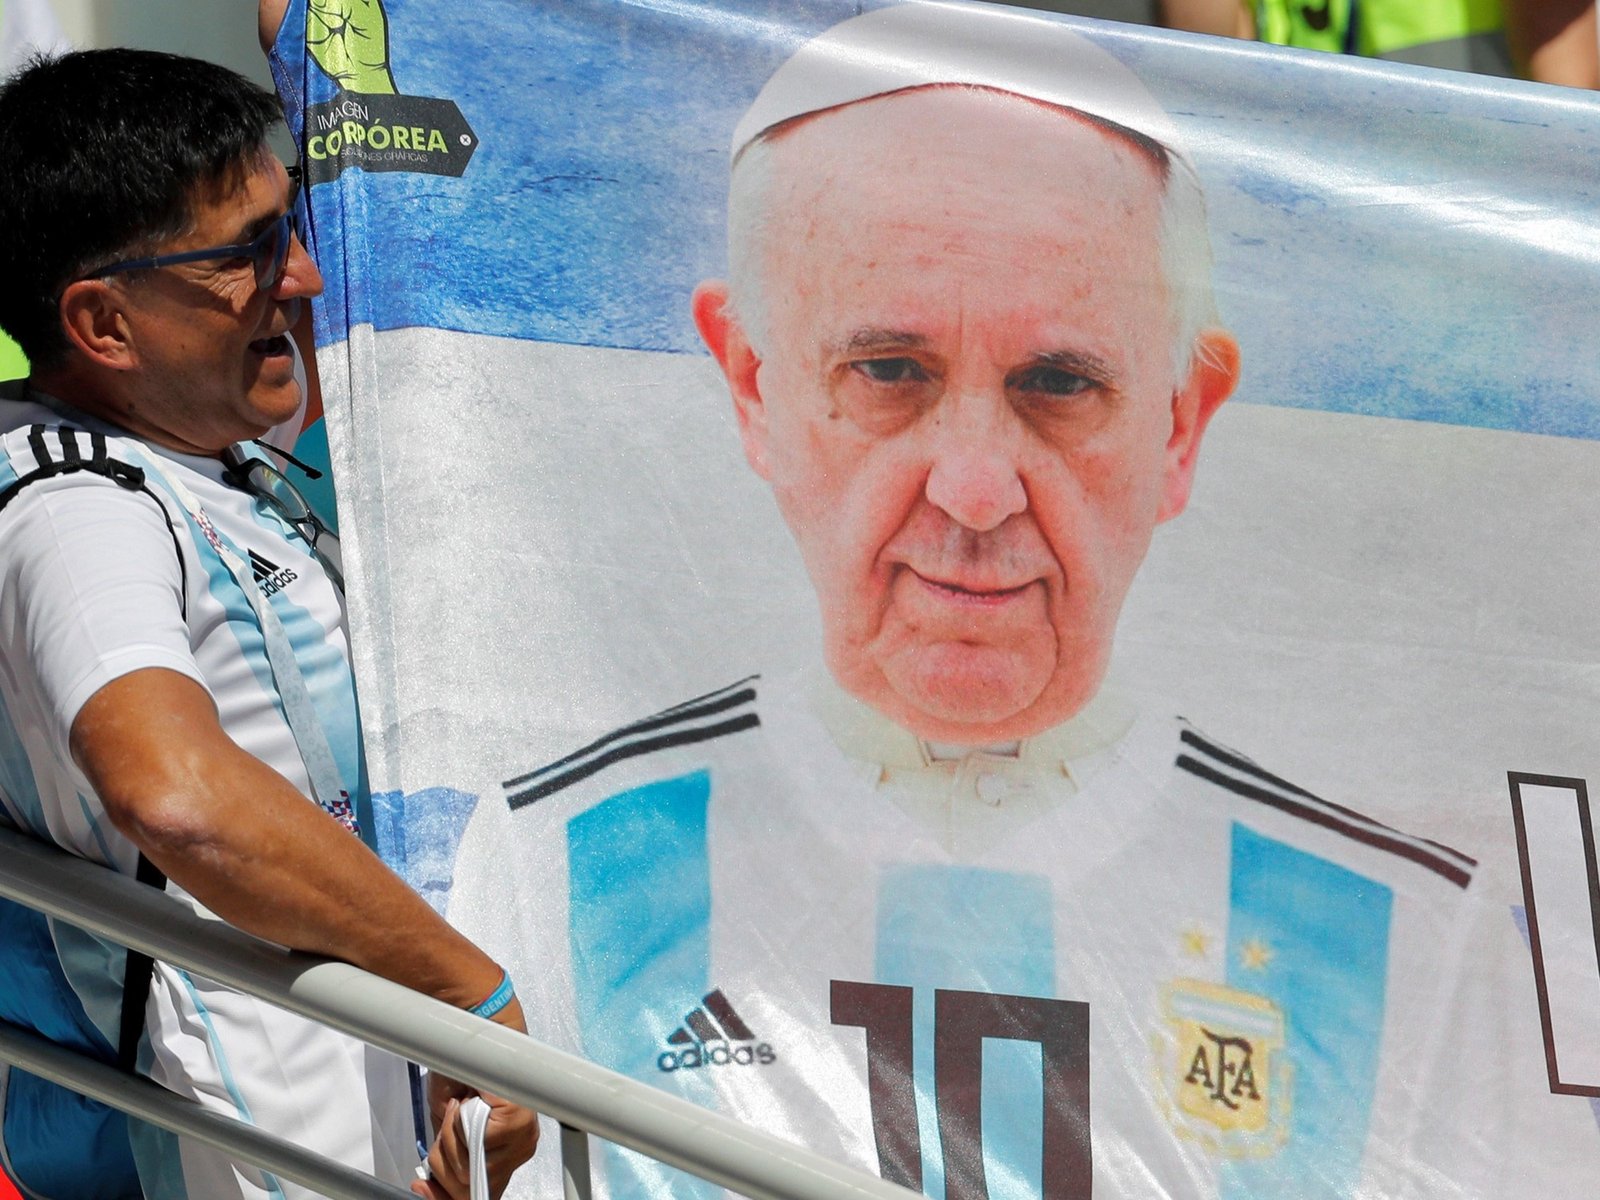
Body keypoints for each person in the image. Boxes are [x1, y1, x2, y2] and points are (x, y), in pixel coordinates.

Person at [458, 3, 1600, 1198]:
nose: (974, 487)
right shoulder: (560, 855)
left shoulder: (1400, 926)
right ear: (752, 383)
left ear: (1181, 422)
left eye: (1059, 383)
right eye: (889, 371)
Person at [0, 49, 534, 1200]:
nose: (301, 276)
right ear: (103, 324)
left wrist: (318, 37)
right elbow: (173, 789)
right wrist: (469, 998)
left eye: (287, 227)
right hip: (228, 1164)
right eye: (246, 253)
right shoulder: (74, 509)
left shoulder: (219, 461)